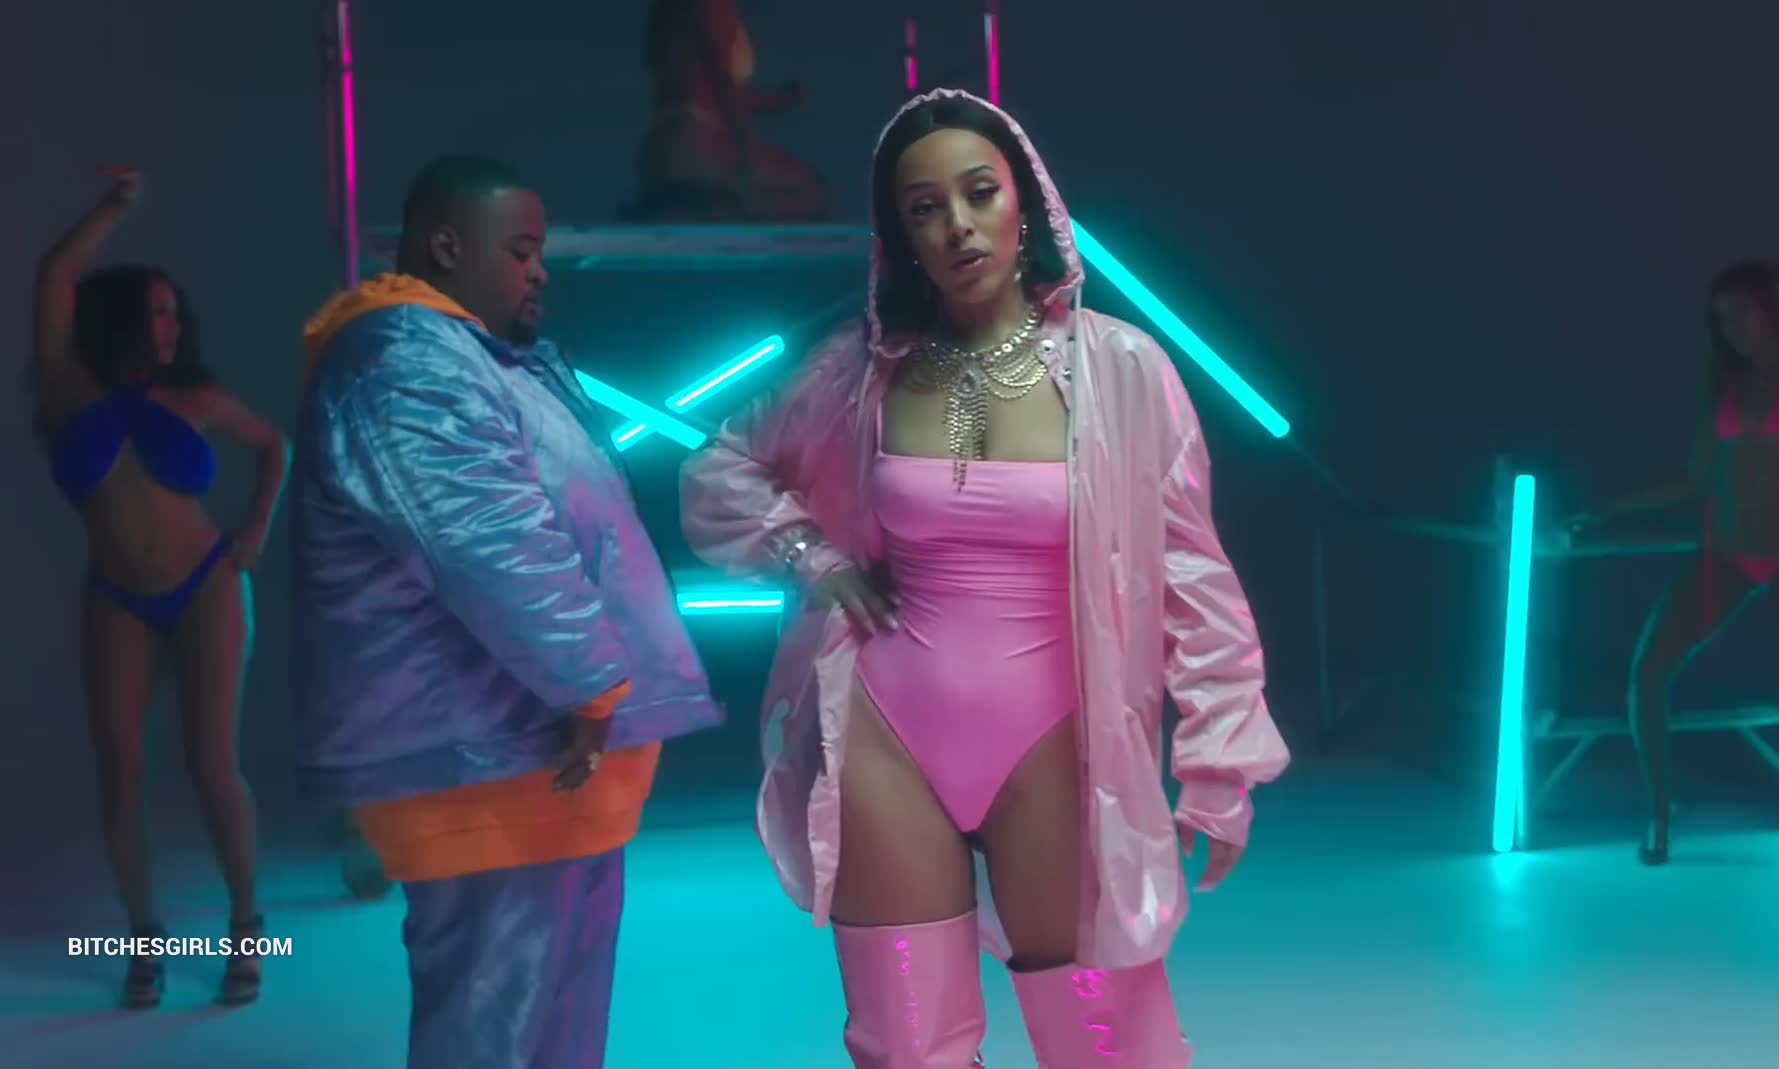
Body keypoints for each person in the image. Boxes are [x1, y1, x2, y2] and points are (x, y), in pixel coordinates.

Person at [680, 90, 1289, 1067]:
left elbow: (1193, 574)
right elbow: (723, 468)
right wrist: (811, 558)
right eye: (925, 208)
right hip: (888, 726)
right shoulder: (859, 374)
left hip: (1057, 740)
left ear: (1026, 203)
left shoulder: (1121, 369)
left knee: (1105, 1043)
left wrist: (1219, 760)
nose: (958, 225)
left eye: (979, 193)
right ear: (900, 237)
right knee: (905, 1044)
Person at [291, 156, 723, 1068]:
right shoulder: (407, 364)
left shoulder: (463, 360)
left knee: (547, 1017)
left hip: (530, 754)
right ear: (448, 246)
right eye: (521, 251)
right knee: (499, 1026)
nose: (541, 271)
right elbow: (488, 539)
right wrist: (593, 681)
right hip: (497, 758)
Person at [29, 167, 287, 1009]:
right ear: (121, 319)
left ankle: (247, 924)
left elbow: (274, 446)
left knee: (213, 764)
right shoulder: (67, 387)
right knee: (121, 768)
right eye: (159, 310)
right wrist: (114, 205)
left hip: (206, 583)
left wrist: (254, 530)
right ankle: (145, 942)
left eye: (179, 311)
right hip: (119, 597)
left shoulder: (197, 397)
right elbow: (55, 274)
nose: (174, 325)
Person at [1565, 258, 1779, 866]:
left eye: (1743, 311)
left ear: (1774, 312)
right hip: (1724, 552)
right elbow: (1697, 481)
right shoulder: (1724, 390)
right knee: (1649, 671)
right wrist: (1608, 512)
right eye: (1722, 318)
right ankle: (1659, 813)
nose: (1733, 327)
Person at [625, 0, 831, 221]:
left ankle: (698, 212)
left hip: (660, 150)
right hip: (696, 147)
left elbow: (702, 89)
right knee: (812, 194)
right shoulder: (711, 6)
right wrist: (745, 164)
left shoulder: (672, 10)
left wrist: (779, 101)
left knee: (765, 202)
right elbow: (723, 87)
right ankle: (714, 213)